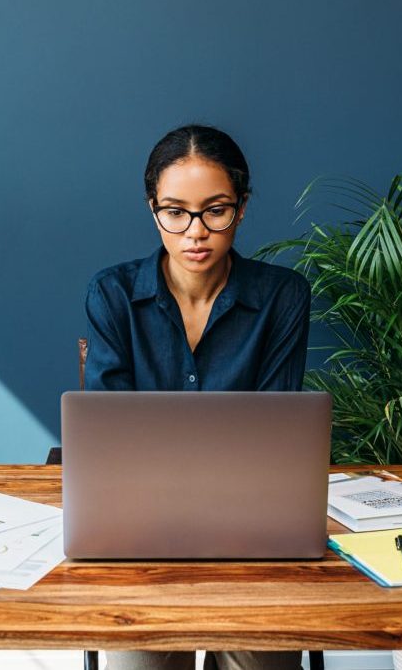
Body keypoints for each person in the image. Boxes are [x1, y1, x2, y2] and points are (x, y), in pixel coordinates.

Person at [82, 124, 311, 670]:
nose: (195, 232)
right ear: (153, 209)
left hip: (253, 524)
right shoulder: (112, 294)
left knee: (262, 656)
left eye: (216, 210)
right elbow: (108, 436)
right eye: (175, 211)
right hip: (140, 524)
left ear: (242, 207)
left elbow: (275, 437)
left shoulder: (283, 296)